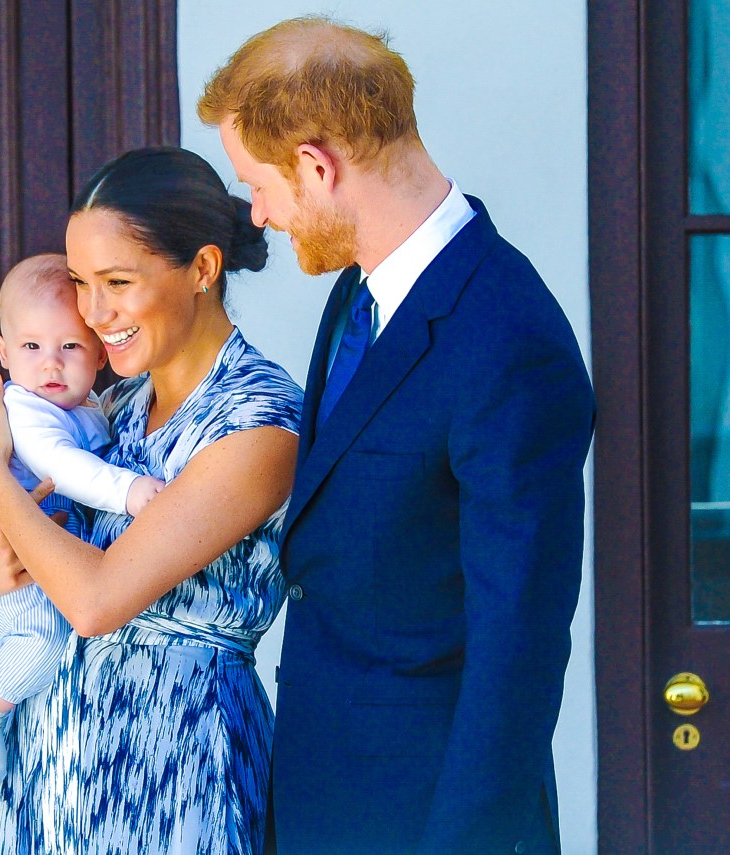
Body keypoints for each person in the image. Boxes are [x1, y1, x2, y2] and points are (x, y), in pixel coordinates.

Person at [198, 16, 597, 855]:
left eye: (258, 185)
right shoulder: (356, 298)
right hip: (321, 799)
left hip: (427, 820)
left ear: (317, 164)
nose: (259, 216)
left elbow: (517, 644)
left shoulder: (507, 335)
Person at [0, 146, 303, 853]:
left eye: (117, 281)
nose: (92, 312)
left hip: (174, 776)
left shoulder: (259, 420)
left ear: (202, 268)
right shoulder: (112, 406)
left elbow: (95, 601)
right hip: (47, 776)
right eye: (79, 281)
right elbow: (17, 641)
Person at [0, 253, 164, 822]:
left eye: (69, 348)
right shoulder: (25, 411)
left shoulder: (91, 405)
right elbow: (63, 468)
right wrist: (129, 491)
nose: (50, 364)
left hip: (35, 539)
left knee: (33, 642)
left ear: (100, 351)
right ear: (2, 353)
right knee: (41, 642)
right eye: (30, 348)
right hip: (4, 537)